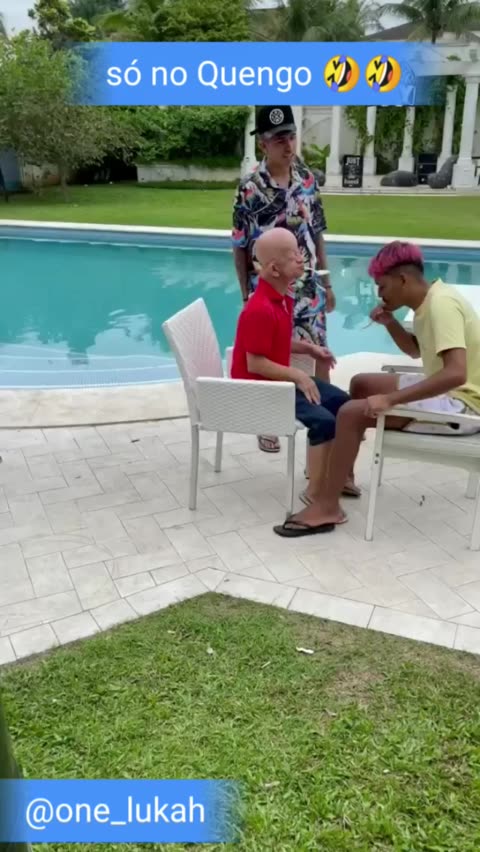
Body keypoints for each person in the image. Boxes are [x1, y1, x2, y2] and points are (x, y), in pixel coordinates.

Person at [273, 240, 480, 537]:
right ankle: (344, 477)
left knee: (350, 413)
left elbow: (456, 373)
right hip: (450, 393)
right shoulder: (429, 300)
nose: (379, 294)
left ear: (403, 279)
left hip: (463, 405)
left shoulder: (442, 306)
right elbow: (414, 350)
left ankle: (328, 507)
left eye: (382, 286)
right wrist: (390, 322)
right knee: (361, 384)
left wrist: (392, 399)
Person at [232, 104, 334, 455]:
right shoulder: (249, 188)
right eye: (278, 139)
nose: (287, 145)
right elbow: (240, 245)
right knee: (270, 357)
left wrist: (327, 283)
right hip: (271, 291)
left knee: (319, 357)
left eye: (290, 136)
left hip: (307, 291)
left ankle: (323, 438)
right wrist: (246, 294)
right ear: (263, 144)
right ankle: (268, 420)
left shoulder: (307, 180)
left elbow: (317, 233)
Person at [231, 227, 355, 512]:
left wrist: (310, 349)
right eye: (293, 255)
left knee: (346, 406)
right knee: (324, 421)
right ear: (274, 269)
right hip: (259, 390)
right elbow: (255, 363)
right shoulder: (259, 308)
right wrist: (299, 375)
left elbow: (276, 340)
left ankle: (333, 476)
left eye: (299, 251)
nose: (301, 258)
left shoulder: (281, 297)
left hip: (278, 383)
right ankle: (315, 492)